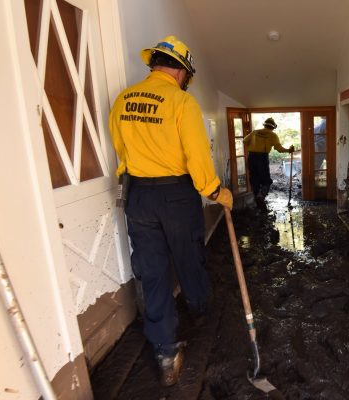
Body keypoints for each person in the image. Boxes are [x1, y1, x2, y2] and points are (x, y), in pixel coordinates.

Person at [108, 35, 232, 387]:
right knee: (189, 254)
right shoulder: (181, 102)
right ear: (183, 72)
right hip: (177, 195)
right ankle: (199, 309)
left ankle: (165, 349)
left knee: (152, 269)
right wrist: (215, 191)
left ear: (155, 64)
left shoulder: (122, 100)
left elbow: (121, 149)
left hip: (138, 197)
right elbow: (197, 156)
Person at [243, 117, 294, 204]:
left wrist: (252, 148)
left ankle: (257, 198)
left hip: (251, 156)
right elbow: (279, 148)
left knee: (254, 178)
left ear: (265, 125)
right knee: (266, 180)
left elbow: (244, 141)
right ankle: (262, 195)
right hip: (262, 157)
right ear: (273, 127)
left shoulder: (255, 132)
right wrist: (288, 150)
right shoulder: (272, 135)